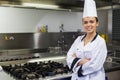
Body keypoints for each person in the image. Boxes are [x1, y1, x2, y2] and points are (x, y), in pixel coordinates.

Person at [66, 0, 107, 80]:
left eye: (91, 22)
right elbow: (69, 58)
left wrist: (76, 59)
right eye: (85, 22)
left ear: (97, 23)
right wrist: (82, 61)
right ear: (83, 24)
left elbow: (95, 65)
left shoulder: (100, 42)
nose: (88, 25)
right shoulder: (78, 40)